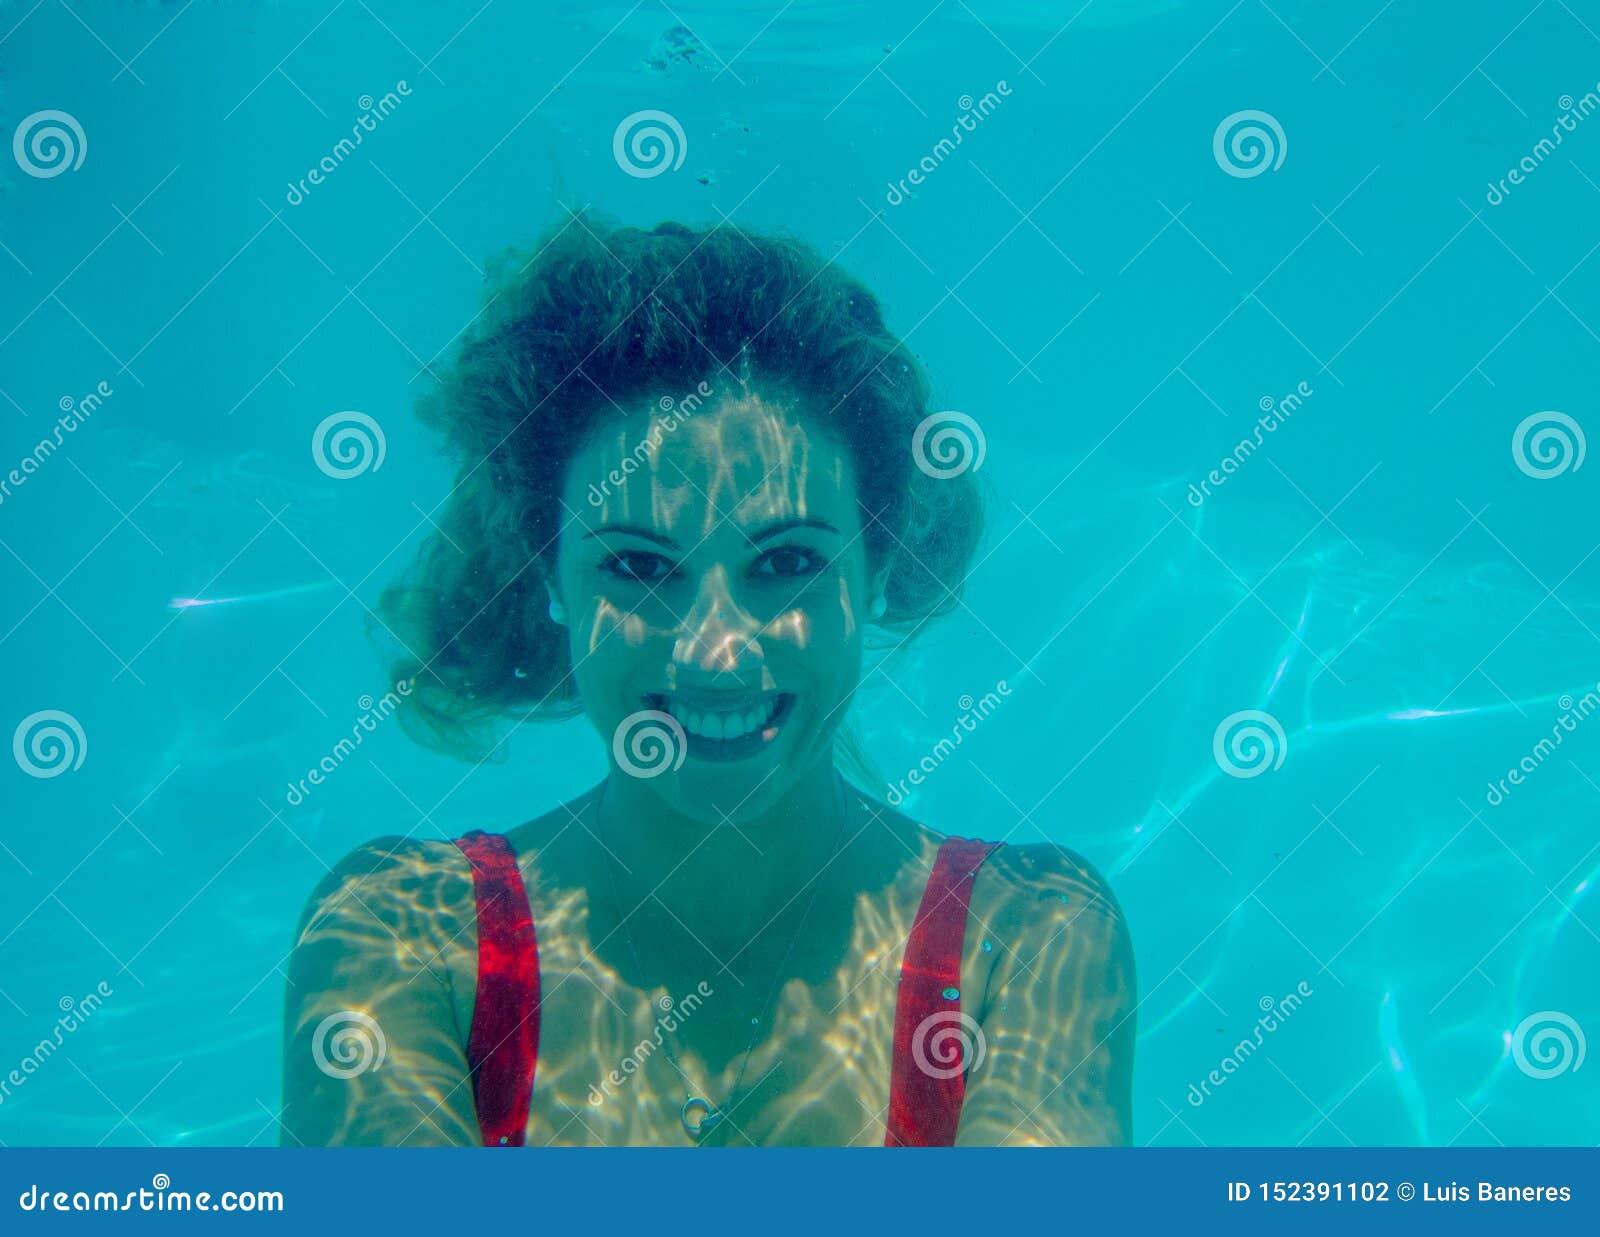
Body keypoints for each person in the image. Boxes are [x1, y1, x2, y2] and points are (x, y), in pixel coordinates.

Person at [278, 215, 1135, 1146]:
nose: (716, 651)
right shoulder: (403, 938)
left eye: (788, 561)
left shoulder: (1026, 936)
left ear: (877, 568)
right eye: (641, 568)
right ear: (546, 576)